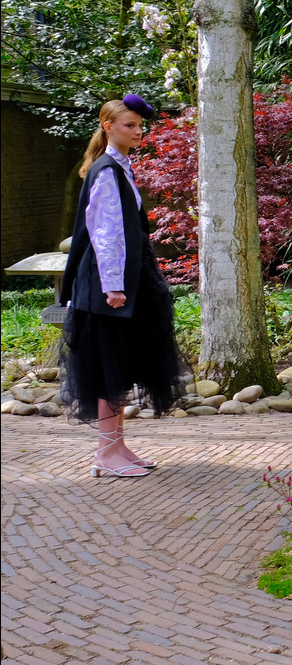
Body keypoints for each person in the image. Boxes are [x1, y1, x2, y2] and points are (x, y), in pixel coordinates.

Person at [59, 94, 188, 478]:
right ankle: (106, 452)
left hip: (120, 285)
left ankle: (118, 447)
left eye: (139, 126)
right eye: (129, 125)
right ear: (108, 126)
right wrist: (114, 287)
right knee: (108, 368)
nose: (137, 132)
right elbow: (106, 234)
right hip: (107, 291)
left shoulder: (119, 167)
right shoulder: (107, 171)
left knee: (119, 365)